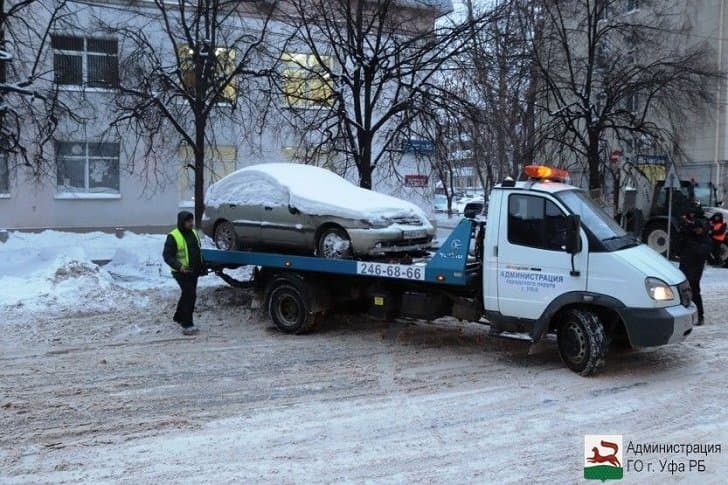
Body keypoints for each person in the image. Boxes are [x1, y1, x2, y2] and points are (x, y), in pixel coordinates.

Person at [163, 211, 203, 335]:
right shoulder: (173, 236)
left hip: (193, 271)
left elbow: (197, 251)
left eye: (192, 220)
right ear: (182, 222)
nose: (191, 223)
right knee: (190, 295)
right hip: (181, 272)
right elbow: (167, 256)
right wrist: (179, 266)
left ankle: (179, 317)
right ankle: (187, 324)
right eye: (188, 221)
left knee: (187, 294)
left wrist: (201, 266)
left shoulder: (194, 233)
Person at [678, 212, 710, 325]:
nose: (697, 231)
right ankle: (685, 315)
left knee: (695, 292)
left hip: (696, 269)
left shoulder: (705, 239)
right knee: (683, 292)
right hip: (685, 266)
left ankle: (700, 316)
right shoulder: (689, 235)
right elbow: (679, 246)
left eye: (698, 229)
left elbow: (701, 252)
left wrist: (691, 244)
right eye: (695, 229)